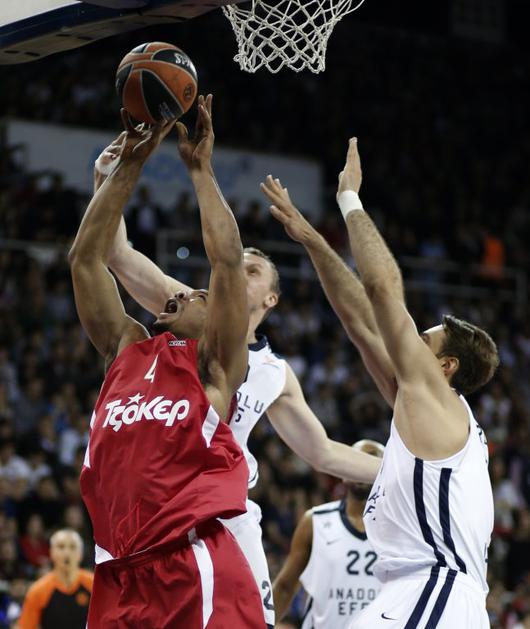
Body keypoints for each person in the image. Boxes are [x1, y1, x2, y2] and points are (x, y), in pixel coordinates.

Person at [94, 117, 381, 629]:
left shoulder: (275, 373)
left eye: (255, 272)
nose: (240, 273)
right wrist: (106, 180)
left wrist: (415, 473)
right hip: (161, 506)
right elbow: (115, 254)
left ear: (271, 299)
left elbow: (322, 452)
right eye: (239, 265)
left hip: (225, 513)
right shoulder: (186, 306)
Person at [261, 138, 499, 628]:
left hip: (436, 587)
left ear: (446, 366)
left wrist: (349, 199)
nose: (408, 342)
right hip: (415, 590)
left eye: (422, 340)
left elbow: (382, 288)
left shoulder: (437, 398)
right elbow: (362, 321)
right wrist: (311, 239)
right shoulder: (422, 409)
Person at [69, 95, 265, 627]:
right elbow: (85, 259)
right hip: (117, 570)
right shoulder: (127, 347)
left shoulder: (214, 363)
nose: (178, 294)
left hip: (189, 563)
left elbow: (227, 262)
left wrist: (200, 171)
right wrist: (129, 164)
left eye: (195, 295)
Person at [273, 440, 384, 628]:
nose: (362, 466)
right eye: (356, 459)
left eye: (371, 459)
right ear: (342, 472)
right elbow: (285, 587)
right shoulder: (314, 521)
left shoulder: (400, 529)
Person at [18, 529, 93, 629]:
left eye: (73, 547)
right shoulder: (38, 590)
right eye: (61, 547)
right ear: (51, 553)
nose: (67, 553)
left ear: (80, 554)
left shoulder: (93, 585)